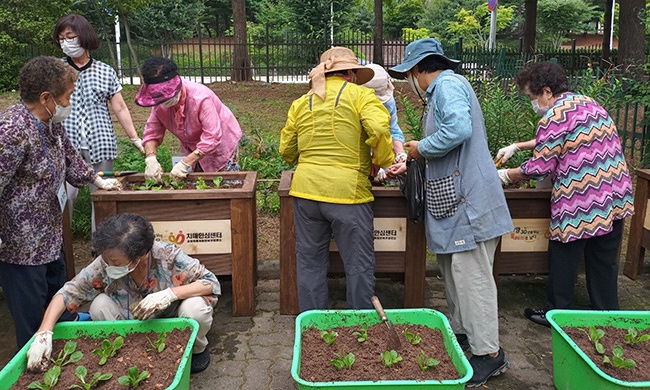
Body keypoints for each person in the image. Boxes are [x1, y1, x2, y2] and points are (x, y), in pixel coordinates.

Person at [386, 38, 513, 387]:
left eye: (408, 74)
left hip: (468, 205)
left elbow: (458, 130)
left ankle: (489, 354)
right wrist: (413, 156)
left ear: (418, 70)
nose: (409, 82)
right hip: (456, 203)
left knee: (473, 281)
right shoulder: (441, 90)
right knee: (457, 275)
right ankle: (465, 337)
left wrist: (420, 147)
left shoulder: (447, 85)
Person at [497, 62, 634, 328]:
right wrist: (518, 145)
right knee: (604, 258)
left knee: (563, 254)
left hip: (580, 200)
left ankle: (557, 313)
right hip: (614, 194)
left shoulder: (554, 116)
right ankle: (607, 316)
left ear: (546, 91)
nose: (532, 103)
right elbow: (565, 138)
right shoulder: (589, 104)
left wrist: (505, 175)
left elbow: (540, 167)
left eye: (532, 97)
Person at [0, 56, 121, 351]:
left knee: (59, 304)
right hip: (21, 248)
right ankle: (33, 369)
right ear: (46, 98)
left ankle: (65, 357)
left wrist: (97, 180)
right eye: (67, 96)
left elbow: (70, 159)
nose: (69, 102)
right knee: (32, 322)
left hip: (51, 238)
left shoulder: (51, 123)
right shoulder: (11, 130)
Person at [25, 213, 219, 374]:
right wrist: (44, 332)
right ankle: (125, 350)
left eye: (116, 262)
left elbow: (211, 282)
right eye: (107, 260)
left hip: (171, 319)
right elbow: (68, 293)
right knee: (99, 305)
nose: (110, 266)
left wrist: (170, 294)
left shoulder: (168, 256)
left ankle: (196, 349)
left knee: (195, 308)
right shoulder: (106, 261)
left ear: (142, 255)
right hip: (131, 322)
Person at [279, 47, 395, 312]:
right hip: (349, 195)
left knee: (309, 262)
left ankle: (313, 326)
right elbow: (378, 128)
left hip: (306, 194)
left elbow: (287, 150)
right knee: (358, 264)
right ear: (351, 74)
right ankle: (360, 326)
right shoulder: (361, 96)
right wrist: (384, 161)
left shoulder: (302, 102)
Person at [52, 14, 143, 217]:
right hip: (65, 145)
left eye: (70, 36)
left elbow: (120, 107)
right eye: (61, 38)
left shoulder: (105, 71)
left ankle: (101, 246)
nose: (65, 42)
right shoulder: (56, 70)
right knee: (66, 196)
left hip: (101, 143)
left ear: (84, 37)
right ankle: (62, 245)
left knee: (102, 196)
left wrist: (135, 138)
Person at [136, 56, 243, 182]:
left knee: (225, 185)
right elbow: (152, 133)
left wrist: (185, 163)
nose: (163, 101)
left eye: (166, 96)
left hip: (221, 143)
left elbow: (212, 137)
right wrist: (150, 159)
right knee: (197, 187)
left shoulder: (201, 98)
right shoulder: (159, 105)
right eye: (159, 98)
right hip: (191, 145)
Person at [362, 63, 408, 182]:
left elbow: (392, 129)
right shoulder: (353, 102)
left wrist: (400, 154)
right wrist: (375, 165)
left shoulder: (388, 102)